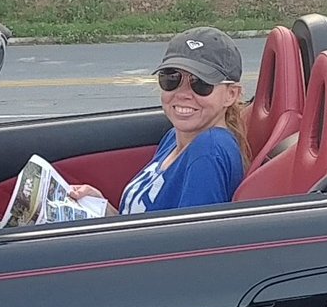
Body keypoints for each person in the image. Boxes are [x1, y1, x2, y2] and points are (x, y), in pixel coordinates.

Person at [71, 27, 251, 214]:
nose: (182, 93)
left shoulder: (208, 152)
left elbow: (191, 232)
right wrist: (102, 209)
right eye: (172, 79)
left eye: (201, 83)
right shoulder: (175, 137)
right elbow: (146, 225)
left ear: (231, 95)